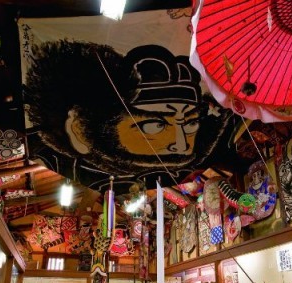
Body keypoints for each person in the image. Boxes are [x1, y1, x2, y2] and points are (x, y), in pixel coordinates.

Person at [23, 40, 235, 193]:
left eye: (191, 123)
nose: (180, 145)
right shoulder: (55, 159)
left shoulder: (206, 149)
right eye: (153, 125)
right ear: (80, 129)